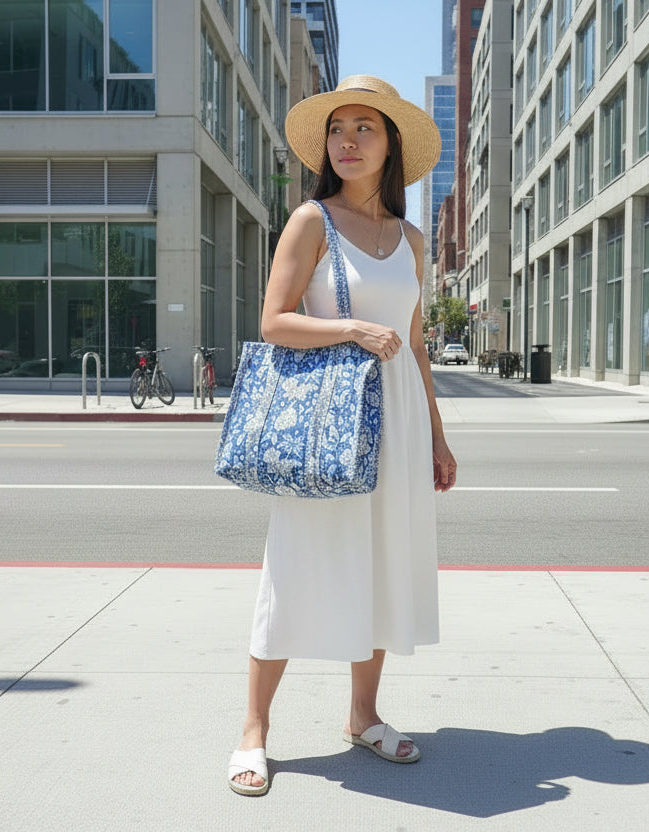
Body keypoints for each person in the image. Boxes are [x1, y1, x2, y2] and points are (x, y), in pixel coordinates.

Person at [227, 76, 457, 797]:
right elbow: (273, 321)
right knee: (295, 571)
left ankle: (364, 716)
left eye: (366, 128)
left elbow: (417, 347)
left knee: (384, 570)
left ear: (390, 145)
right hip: (327, 429)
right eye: (338, 129)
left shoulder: (411, 239)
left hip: (400, 427)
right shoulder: (310, 221)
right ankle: (254, 732)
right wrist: (350, 328)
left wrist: (440, 441)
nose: (349, 140)